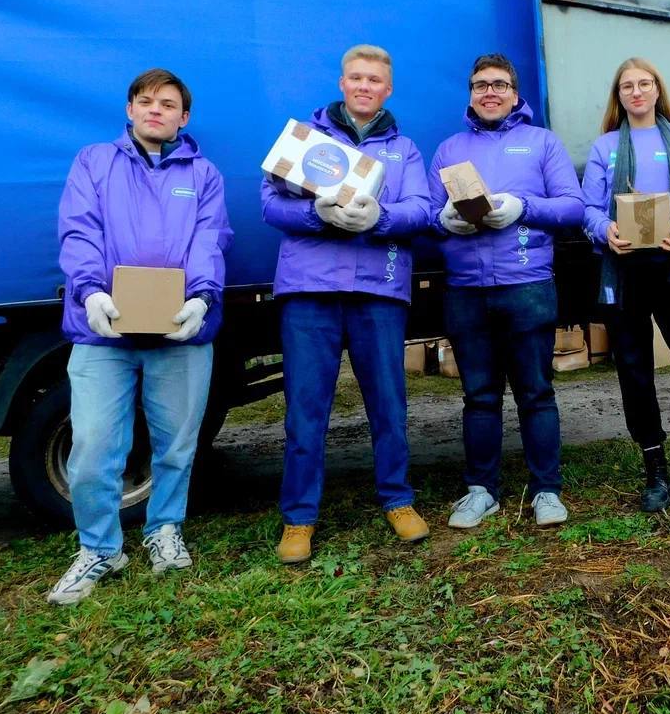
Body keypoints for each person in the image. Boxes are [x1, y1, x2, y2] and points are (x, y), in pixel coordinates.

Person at [49, 68, 233, 604]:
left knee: (176, 445)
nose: (157, 110)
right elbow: (79, 229)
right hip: (102, 332)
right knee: (92, 449)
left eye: (168, 104)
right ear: (130, 109)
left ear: (184, 117)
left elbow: (210, 237)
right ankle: (100, 548)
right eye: (146, 101)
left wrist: (202, 296)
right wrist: (89, 292)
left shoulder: (203, 174)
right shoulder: (94, 162)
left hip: (181, 332)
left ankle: (165, 530)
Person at [264, 45, 433, 564]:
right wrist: (316, 212)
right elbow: (269, 205)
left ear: (388, 89)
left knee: (389, 403)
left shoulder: (404, 150)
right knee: (306, 410)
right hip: (309, 292)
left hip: (377, 291)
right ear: (342, 83)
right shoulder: (307, 141)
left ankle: (398, 500)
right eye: (356, 77)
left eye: (375, 80)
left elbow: (423, 210)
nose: (364, 86)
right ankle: (299, 518)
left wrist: (378, 220)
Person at [427, 54, 584, 528]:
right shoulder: (449, 149)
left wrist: (523, 207)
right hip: (466, 291)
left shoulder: (542, 143)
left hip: (528, 285)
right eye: (479, 86)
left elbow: (573, 208)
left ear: (515, 94)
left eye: (498, 85)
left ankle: (547, 490)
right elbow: (427, 217)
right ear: (471, 95)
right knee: (479, 396)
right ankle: (481, 491)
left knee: (536, 391)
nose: (489, 93)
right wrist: (443, 221)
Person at [582, 58, 670, 512]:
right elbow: (588, 207)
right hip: (622, 271)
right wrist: (604, 230)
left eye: (645, 84)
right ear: (618, 95)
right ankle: (655, 468)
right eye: (627, 86)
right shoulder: (604, 146)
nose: (637, 92)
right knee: (635, 368)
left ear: (658, 91)